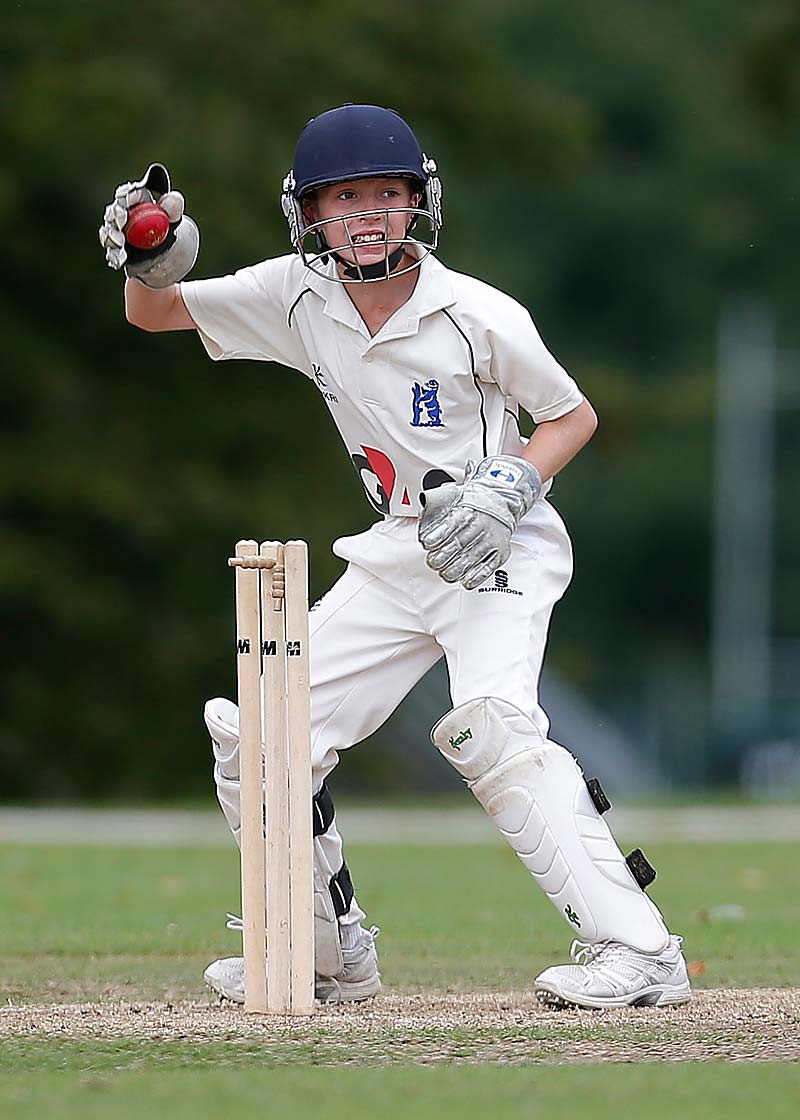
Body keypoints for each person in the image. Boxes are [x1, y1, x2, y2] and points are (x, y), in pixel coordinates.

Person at [100, 104, 691, 1010]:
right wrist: (149, 259)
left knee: (489, 725)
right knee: (260, 734)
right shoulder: (295, 297)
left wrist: (508, 489)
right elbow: (156, 317)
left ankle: (640, 953)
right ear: (308, 214)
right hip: (397, 553)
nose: (368, 216)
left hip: (498, 546)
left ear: (421, 204)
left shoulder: (475, 313)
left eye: (388, 195)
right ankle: (325, 955)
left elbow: (572, 415)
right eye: (345, 200)